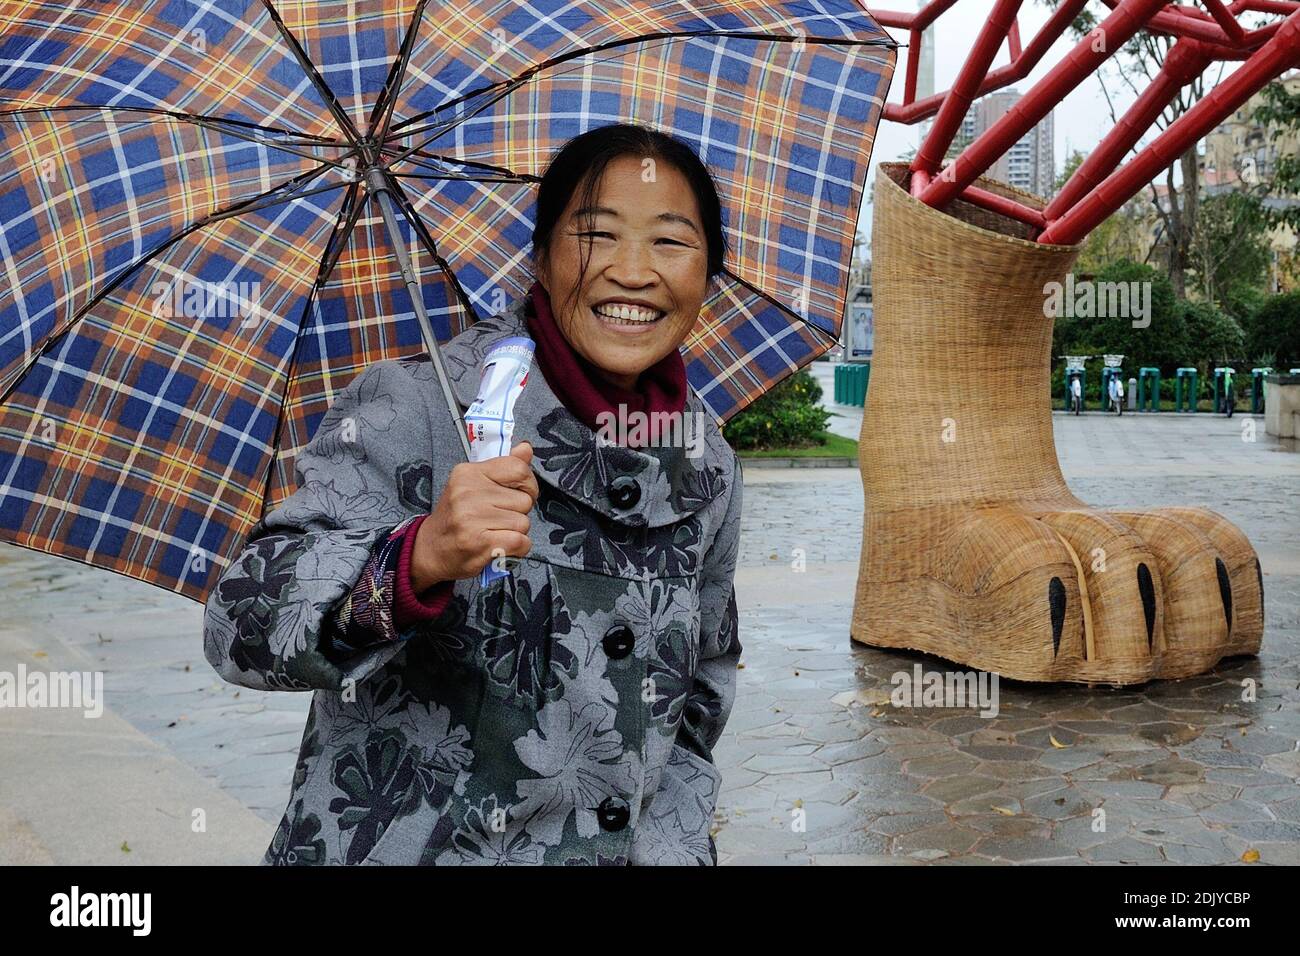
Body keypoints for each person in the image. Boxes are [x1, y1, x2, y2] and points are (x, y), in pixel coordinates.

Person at [203, 123, 742, 866]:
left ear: (709, 271)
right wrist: (414, 560)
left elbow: (700, 696)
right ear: (543, 263)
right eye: (596, 235)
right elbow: (240, 625)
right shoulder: (416, 408)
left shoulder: (707, 463)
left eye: (672, 241)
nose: (633, 270)